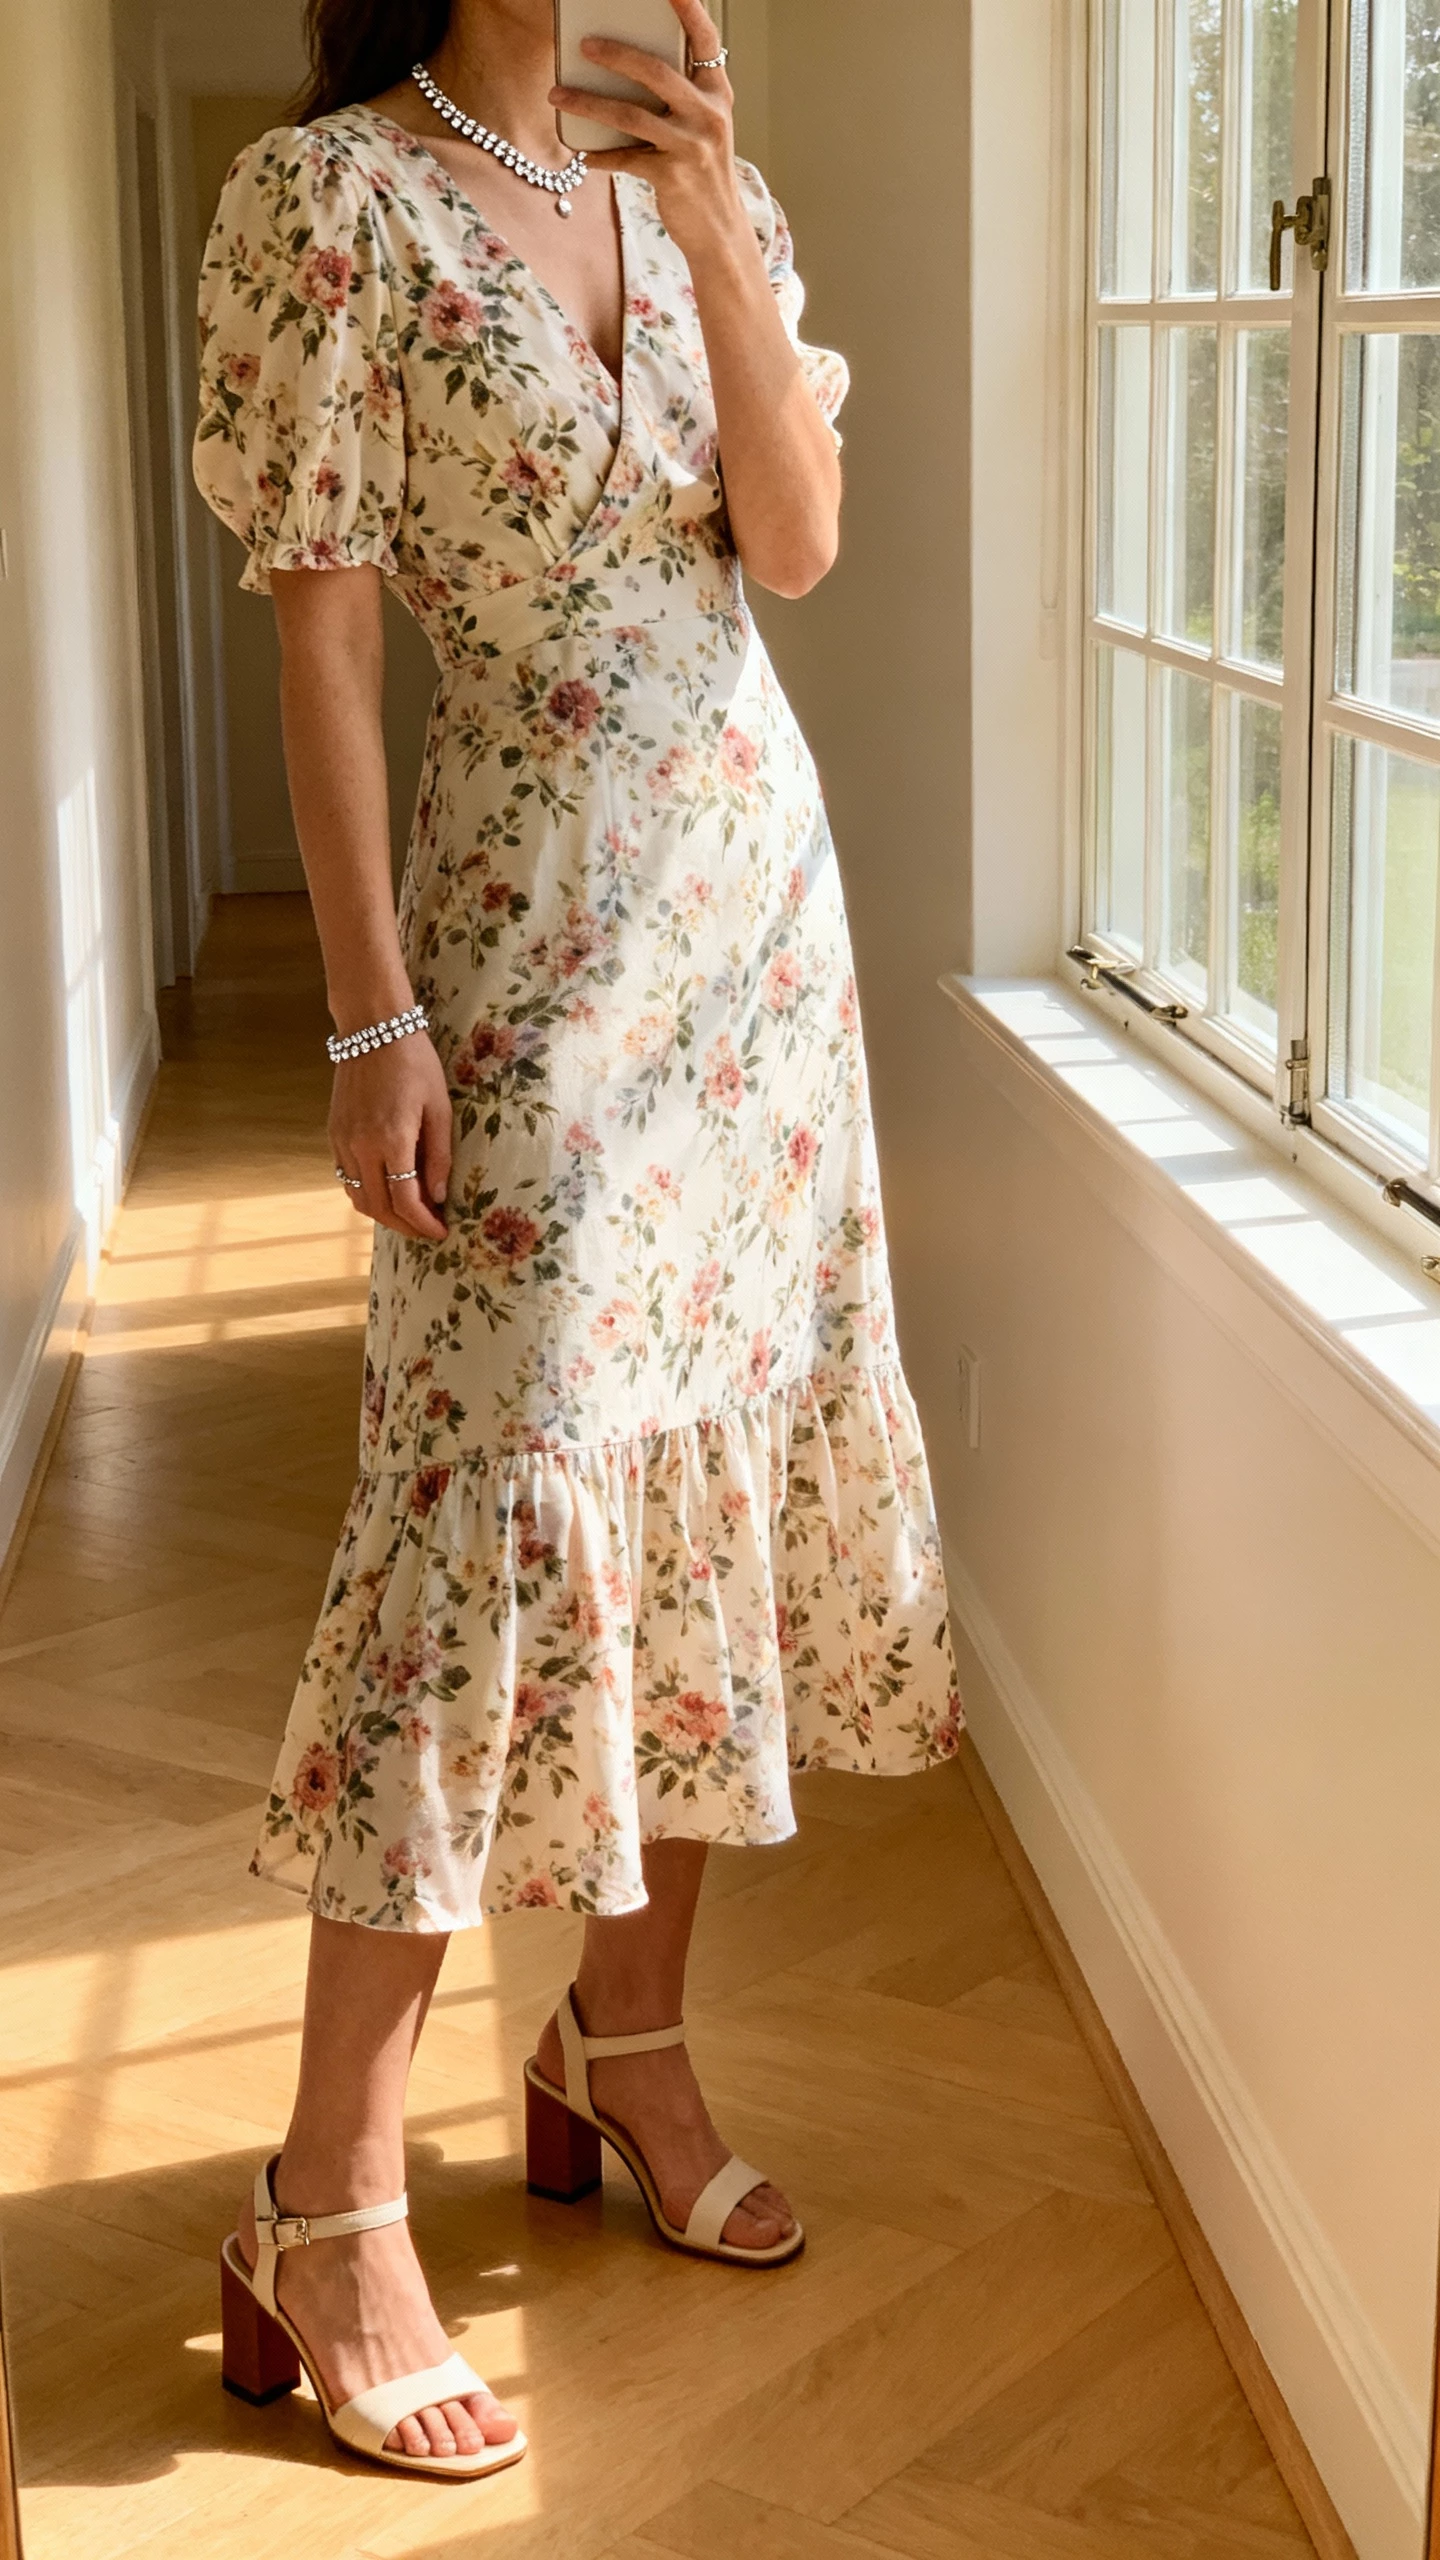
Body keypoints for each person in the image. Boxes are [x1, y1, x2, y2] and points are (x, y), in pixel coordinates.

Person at [194, 0, 961, 2482]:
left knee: (698, 1494)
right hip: (526, 946)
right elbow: (318, 632)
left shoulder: (686, 175)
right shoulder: (333, 203)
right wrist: (361, 1017)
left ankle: (616, 2051)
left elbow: (800, 543)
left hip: (757, 950)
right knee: (483, 1527)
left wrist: (726, 224)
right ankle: (322, 2192)